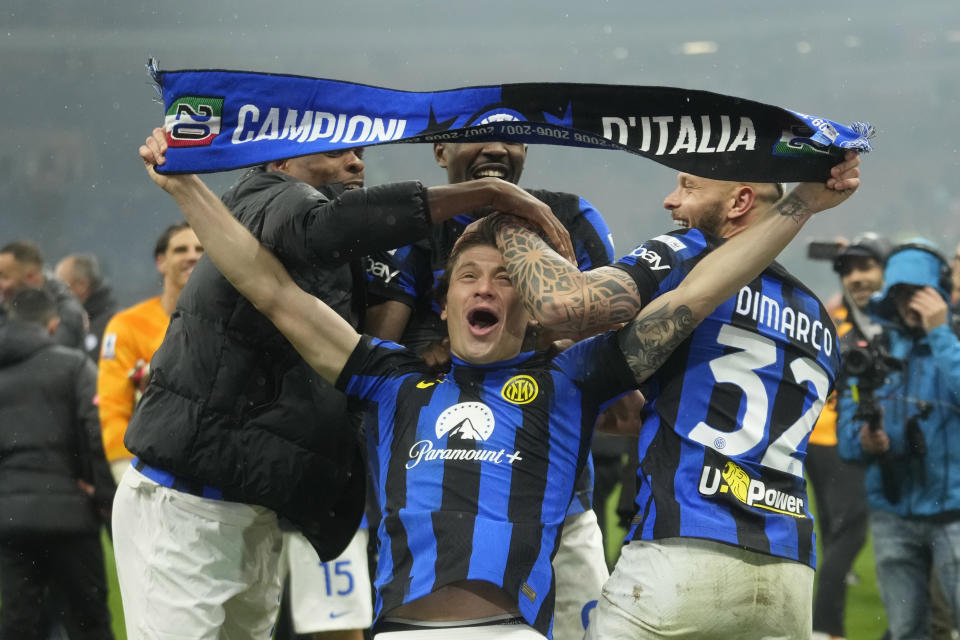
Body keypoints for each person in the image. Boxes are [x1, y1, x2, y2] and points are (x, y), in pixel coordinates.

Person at [138, 130, 856, 639]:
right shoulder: (386, 378)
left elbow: (695, 298)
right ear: (443, 300)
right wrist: (183, 187)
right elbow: (267, 287)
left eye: (507, 279)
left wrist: (799, 205)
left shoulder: (571, 379)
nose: (487, 288)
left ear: (531, 305)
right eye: (469, 277)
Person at [115, 128, 575, 640]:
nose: (356, 165)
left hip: (254, 508)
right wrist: (490, 194)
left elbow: (297, 303)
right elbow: (278, 280)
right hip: (189, 503)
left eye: (359, 154)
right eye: (336, 153)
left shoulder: (347, 268)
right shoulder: (270, 195)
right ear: (281, 164)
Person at [481, 155, 861, 639]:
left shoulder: (690, 251)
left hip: (684, 552)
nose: (671, 200)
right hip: (789, 573)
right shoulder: (819, 319)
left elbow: (566, 305)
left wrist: (503, 219)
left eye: (688, 186)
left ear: (740, 201)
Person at [365, 140, 618, 639]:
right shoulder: (416, 229)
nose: (497, 146)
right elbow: (379, 346)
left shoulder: (569, 217)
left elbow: (606, 334)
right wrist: (432, 354)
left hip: (559, 496)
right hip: (440, 486)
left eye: (512, 135)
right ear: (440, 152)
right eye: (477, 133)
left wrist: (552, 331)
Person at [837, 239, 960, 640]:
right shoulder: (875, 352)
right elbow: (847, 435)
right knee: (906, 630)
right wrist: (864, 442)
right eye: (901, 293)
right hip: (892, 513)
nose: (910, 302)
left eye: (919, 292)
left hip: (953, 513)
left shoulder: (951, 342)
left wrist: (939, 332)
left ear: (938, 292)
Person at [0, 288, 115, 639]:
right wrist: (103, 497)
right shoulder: (74, 365)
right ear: (52, 325)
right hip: (71, 514)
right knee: (88, 623)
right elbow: (97, 432)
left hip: (10, 518)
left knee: (19, 624)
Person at [807, 233, 889, 640]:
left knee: (834, 526)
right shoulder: (847, 320)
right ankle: (825, 625)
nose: (856, 277)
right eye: (849, 269)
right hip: (838, 438)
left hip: (819, 437)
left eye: (865, 267)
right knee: (849, 531)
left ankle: (824, 615)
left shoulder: (836, 315)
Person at [96, 222, 202, 483]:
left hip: (210, 469)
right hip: (147, 468)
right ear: (161, 262)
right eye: (180, 249)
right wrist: (125, 473)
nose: (192, 256)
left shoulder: (230, 323)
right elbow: (113, 407)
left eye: (201, 249)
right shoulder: (126, 326)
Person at [0, 240, 88, 349]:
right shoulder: (5, 307)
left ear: (30, 276)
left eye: (4, 277)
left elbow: (49, 358)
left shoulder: (67, 313)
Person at [55, 253, 119, 360]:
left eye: (60, 286)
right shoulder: (63, 321)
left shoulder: (113, 324)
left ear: (82, 285)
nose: (56, 294)